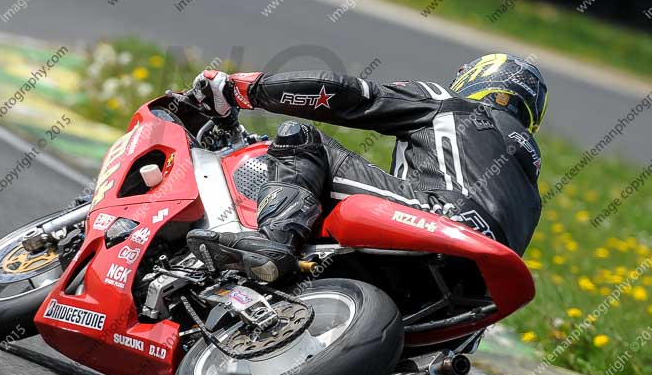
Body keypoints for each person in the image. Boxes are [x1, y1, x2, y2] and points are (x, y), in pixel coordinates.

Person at [186, 53, 548, 283]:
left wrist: (243, 90)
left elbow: (353, 96)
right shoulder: (531, 194)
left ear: (475, 79)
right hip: (476, 284)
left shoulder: (452, 104)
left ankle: (271, 243)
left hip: (441, 219)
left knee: (301, 138)